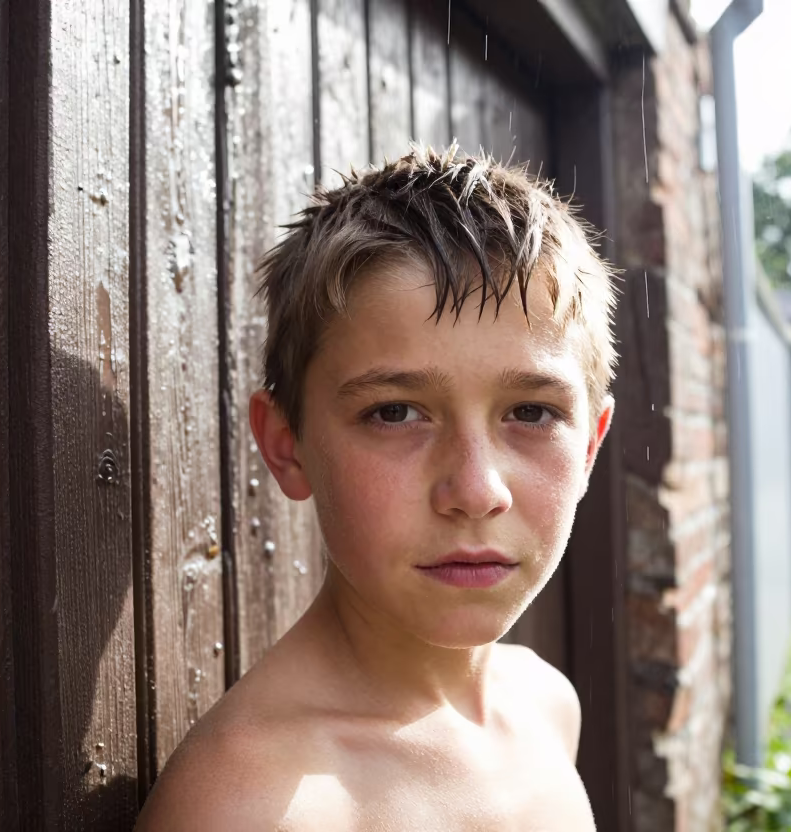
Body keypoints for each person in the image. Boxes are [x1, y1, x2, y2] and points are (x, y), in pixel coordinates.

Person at [136, 144, 617, 831]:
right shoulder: (249, 808)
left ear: (592, 443)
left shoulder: (544, 704)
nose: (476, 490)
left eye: (532, 413)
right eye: (394, 412)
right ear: (286, 444)